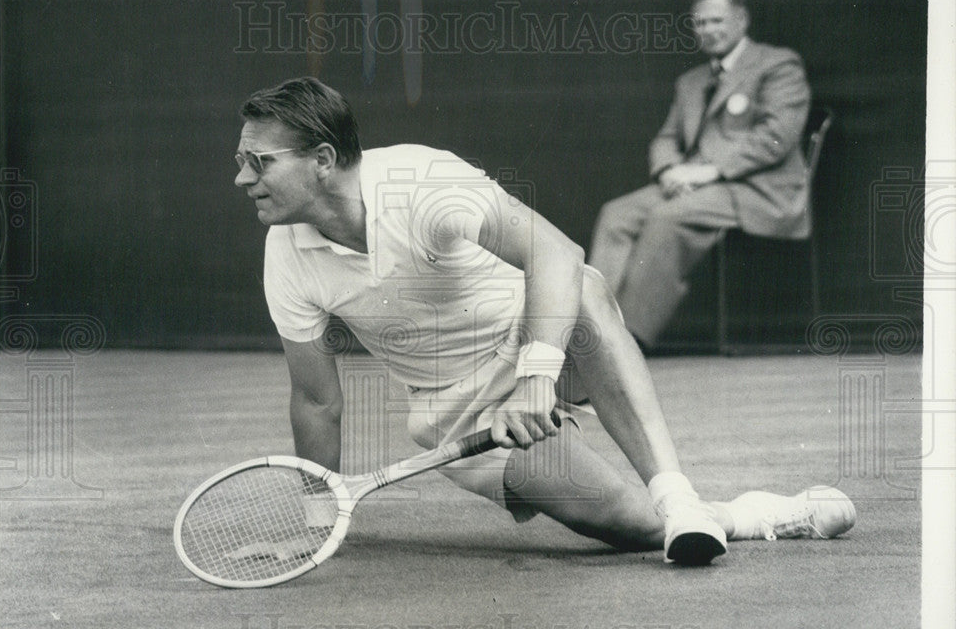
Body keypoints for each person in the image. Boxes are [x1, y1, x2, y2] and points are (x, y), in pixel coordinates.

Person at [235, 76, 853, 566]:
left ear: (321, 158)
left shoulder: (421, 182)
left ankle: (679, 496)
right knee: (630, 527)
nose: (243, 178)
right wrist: (318, 524)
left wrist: (535, 374)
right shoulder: (286, 256)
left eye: (258, 161)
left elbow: (556, 253)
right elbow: (316, 401)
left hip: (542, 337)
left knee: (581, 287)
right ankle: (747, 515)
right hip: (459, 413)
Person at [588, 0, 812, 349]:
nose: (708, 30)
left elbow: (777, 137)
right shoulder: (690, 82)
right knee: (616, 214)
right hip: (694, 185)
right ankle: (593, 329)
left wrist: (709, 173)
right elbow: (666, 138)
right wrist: (668, 171)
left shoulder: (777, 65)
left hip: (757, 189)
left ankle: (625, 343)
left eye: (717, 21)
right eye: (701, 22)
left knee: (666, 216)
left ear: (741, 20)